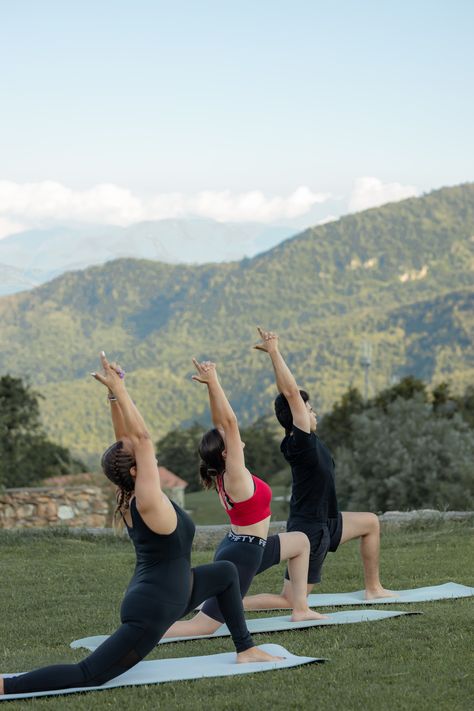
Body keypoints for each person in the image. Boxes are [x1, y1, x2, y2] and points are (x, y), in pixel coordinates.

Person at [1, 353, 280, 697]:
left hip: (177, 589)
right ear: (136, 471)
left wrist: (115, 397)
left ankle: (246, 649)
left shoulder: (131, 490)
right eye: (144, 460)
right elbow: (142, 441)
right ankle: (6, 684)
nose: (151, 458)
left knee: (225, 573)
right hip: (154, 607)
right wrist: (120, 387)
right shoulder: (148, 500)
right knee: (89, 674)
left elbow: (127, 445)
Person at [163, 358, 324, 643]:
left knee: (300, 542)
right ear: (226, 453)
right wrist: (214, 381)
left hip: (244, 546)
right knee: (203, 626)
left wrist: (211, 387)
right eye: (231, 440)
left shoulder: (226, 473)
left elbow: (220, 423)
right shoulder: (235, 474)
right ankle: (146, 631)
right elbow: (229, 422)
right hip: (243, 556)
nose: (237, 438)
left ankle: (300, 609)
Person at [243, 328, 393, 613]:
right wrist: (274, 351)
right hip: (310, 529)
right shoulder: (300, 443)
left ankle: (373, 589)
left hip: (328, 520)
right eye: (309, 409)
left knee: (371, 523)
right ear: (297, 415)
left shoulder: (307, 441)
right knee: (290, 600)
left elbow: (293, 399)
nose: (313, 413)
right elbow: (289, 392)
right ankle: (224, 605)